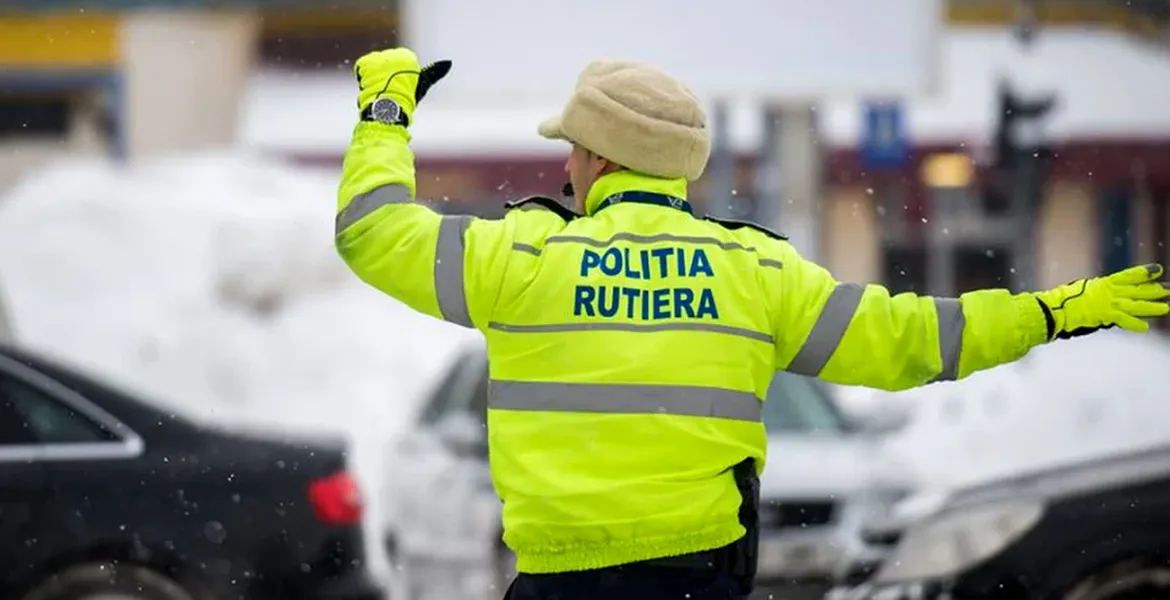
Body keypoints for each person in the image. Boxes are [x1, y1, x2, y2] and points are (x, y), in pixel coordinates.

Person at [334, 48, 1170, 600]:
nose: (565, 164)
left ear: (596, 159)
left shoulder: (519, 257)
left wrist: (385, 108)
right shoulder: (753, 271)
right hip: (702, 580)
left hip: (560, 581)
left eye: (574, 150)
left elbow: (370, 231)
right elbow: (913, 341)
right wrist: (1054, 312)